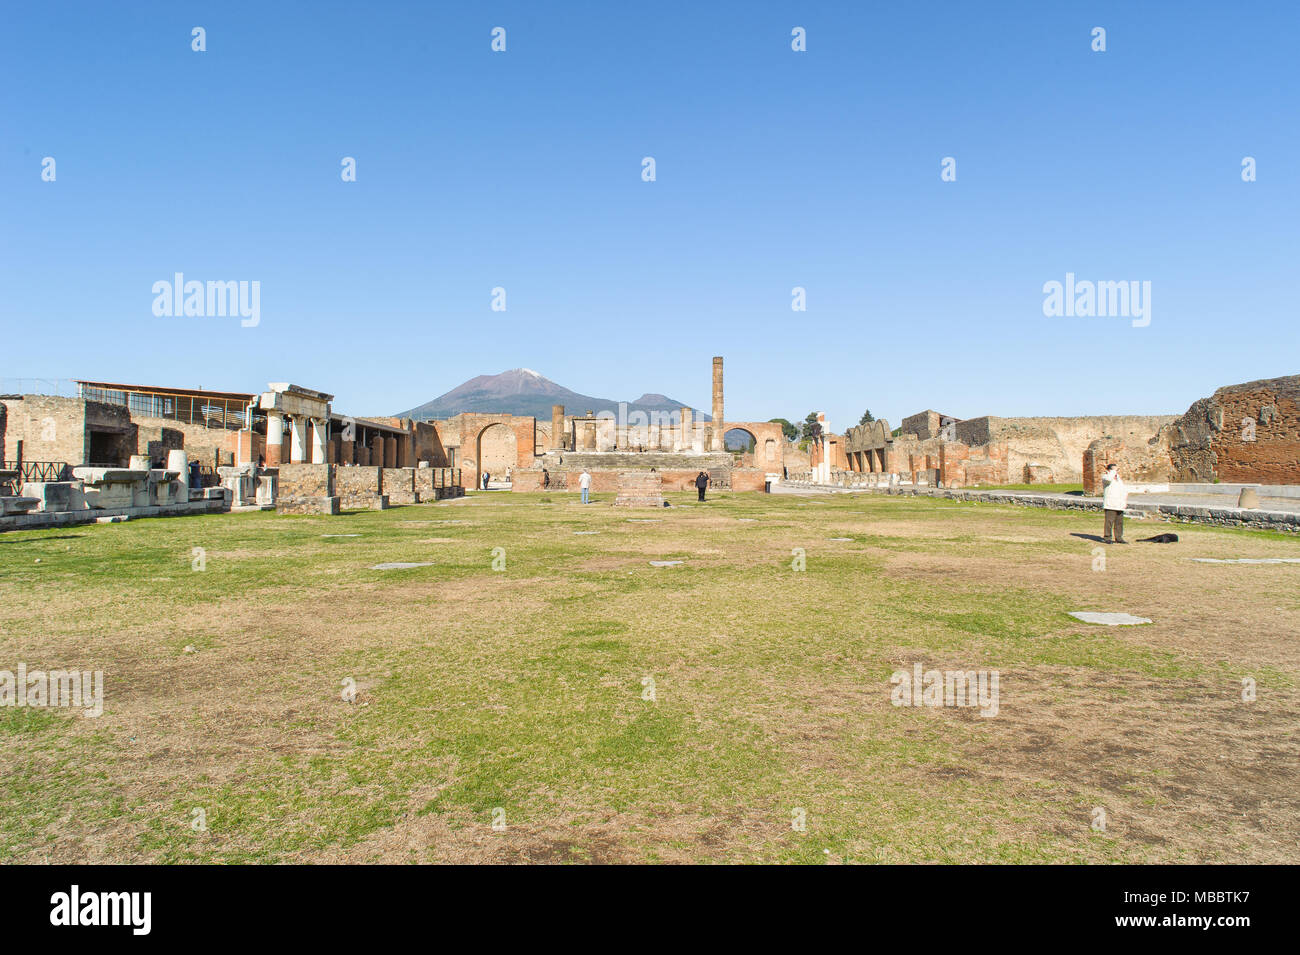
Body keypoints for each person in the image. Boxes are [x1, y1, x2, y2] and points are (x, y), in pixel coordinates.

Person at [1101, 463, 1129, 543]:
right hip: (1111, 504)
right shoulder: (1106, 477)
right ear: (1110, 470)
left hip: (1119, 503)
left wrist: (1124, 501)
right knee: (1109, 522)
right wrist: (1112, 471)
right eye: (1114, 469)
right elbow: (1109, 479)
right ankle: (1107, 537)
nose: (1116, 471)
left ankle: (1119, 537)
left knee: (1119, 523)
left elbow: (1122, 490)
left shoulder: (1118, 479)